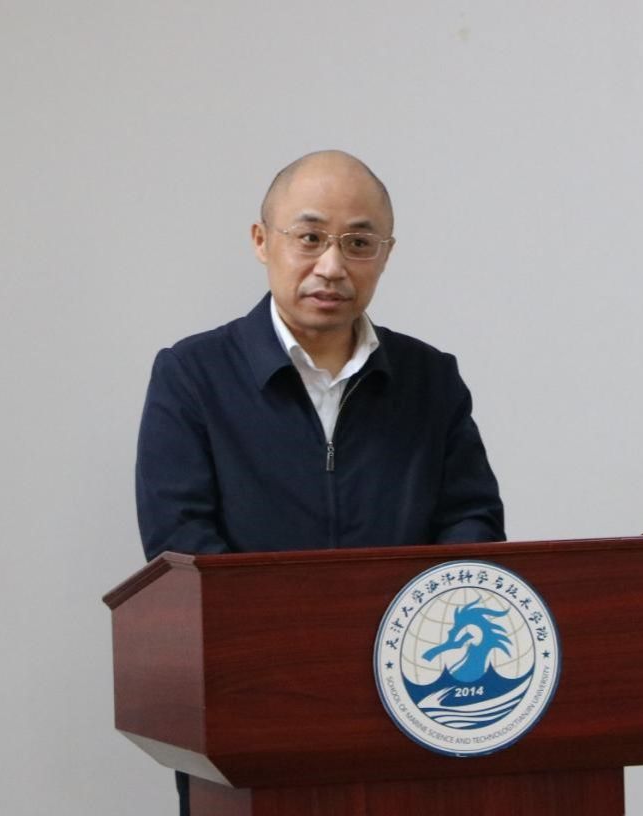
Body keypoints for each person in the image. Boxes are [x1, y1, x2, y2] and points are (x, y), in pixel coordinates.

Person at [134, 150, 505, 814]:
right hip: (250, 706)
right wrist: (300, 653)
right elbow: (180, 546)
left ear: (385, 255)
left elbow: (472, 528)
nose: (331, 265)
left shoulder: (430, 379)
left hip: (410, 707)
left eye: (358, 243)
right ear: (261, 241)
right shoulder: (192, 375)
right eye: (309, 237)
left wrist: (423, 649)